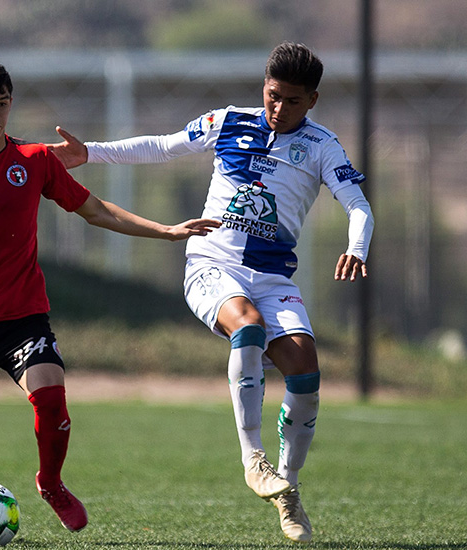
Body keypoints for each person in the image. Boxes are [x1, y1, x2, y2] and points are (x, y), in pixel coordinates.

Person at [48, 42, 374, 543]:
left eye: (292, 101)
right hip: (212, 265)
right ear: (263, 87)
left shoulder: (322, 145)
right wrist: (89, 152)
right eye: (272, 95)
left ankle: (287, 486)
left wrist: (356, 246)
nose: (278, 108)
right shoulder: (228, 121)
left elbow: (358, 205)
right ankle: (253, 458)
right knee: (248, 328)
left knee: (306, 372)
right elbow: (163, 147)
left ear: (312, 100)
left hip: (273, 278)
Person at [0, 57, 220, 542]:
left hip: (23, 315)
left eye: (2, 104)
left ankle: (51, 483)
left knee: (51, 397)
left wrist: (166, 231)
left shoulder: (33, 161)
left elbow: (95, 210)